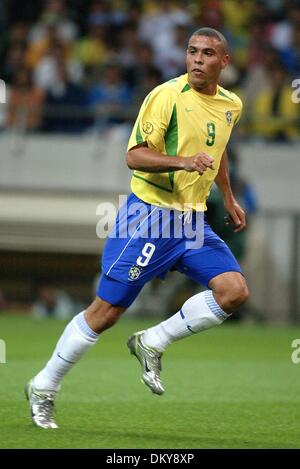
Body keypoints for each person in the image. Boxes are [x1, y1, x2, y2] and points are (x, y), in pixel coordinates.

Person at [25, 27, 249, 429]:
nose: (197, 59)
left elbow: (218, 149)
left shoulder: (231, 104)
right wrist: (182, 162)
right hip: (149, 217)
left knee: (233, 291)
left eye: (208, 53)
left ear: (224, 62)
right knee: (106, 311)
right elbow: (134, 156)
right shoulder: (166, 97)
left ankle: (153, 341)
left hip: (191, 222)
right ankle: (44, 386)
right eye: (192, 51)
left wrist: (228, 196)